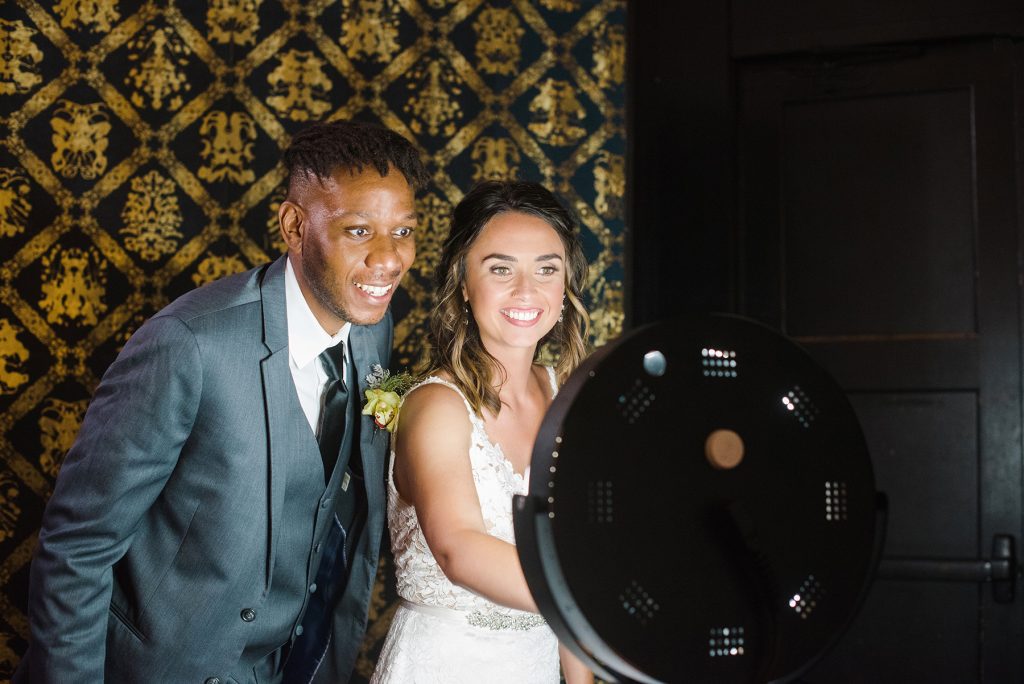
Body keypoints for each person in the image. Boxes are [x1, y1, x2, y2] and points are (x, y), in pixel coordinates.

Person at [16, 120, 428, 684]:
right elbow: (76, 549)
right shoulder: (189, 345)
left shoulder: (371, 331)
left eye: (402, 232)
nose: (388, 260)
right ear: (293, 225)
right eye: (359, 231)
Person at [371, 180, 594, 683]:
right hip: (445, 665)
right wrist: (596, 596)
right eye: (500, 269)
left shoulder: (567, 396)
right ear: (463, 284)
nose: (526, 291)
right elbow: (460, 547)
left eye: (546, 269)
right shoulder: (435, 405)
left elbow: (569, 545)